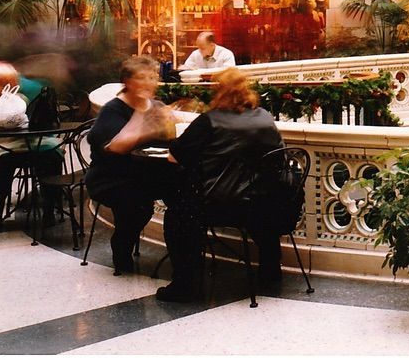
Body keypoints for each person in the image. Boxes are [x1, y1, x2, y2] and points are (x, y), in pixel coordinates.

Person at [86, 55, 205, 302]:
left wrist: (169, 121)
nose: (149, 82)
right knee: (137, 206)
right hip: (114, 176)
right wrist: (142, 119)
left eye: (152, 77)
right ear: (127, 81)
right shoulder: (113, 109)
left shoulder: (158, 106)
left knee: (187, 200)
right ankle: (122, 245)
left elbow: (171, 140)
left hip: (153, 172)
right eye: (142, 77)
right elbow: (115, 148)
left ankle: (185, 267)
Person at [170, 69, 286, 288]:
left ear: (218, 91)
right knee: (261, 211)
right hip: (266, 201)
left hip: (220, 202)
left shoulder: (209, 121)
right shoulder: (264, 116)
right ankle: (270, 271)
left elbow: (175, 157)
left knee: (177, 214)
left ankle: (184, 284)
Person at [0, 61, 60, 233]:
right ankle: (49, 212)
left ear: (5, 82)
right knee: (52, 156)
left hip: (24, 148)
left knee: (1, 162)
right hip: (40, 147)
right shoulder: (32, 89)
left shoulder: (29, 91)